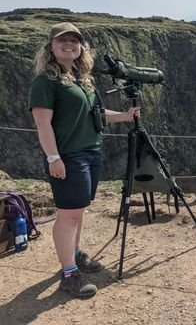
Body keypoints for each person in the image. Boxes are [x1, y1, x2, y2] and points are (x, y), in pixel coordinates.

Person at [28, 22, 140, 298]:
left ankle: (74, 255)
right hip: (69, 156)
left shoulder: (81, 80)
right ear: (51, 47)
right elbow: (42, 123)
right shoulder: (46, 81)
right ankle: (69, 276)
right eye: (62, 40)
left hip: (91, 153)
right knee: (68, 215)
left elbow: (98, 114)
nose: (69, 44)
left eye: (74, 40)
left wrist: (125, 116)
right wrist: (54, 158)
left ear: (80, 47)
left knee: (78, 211)